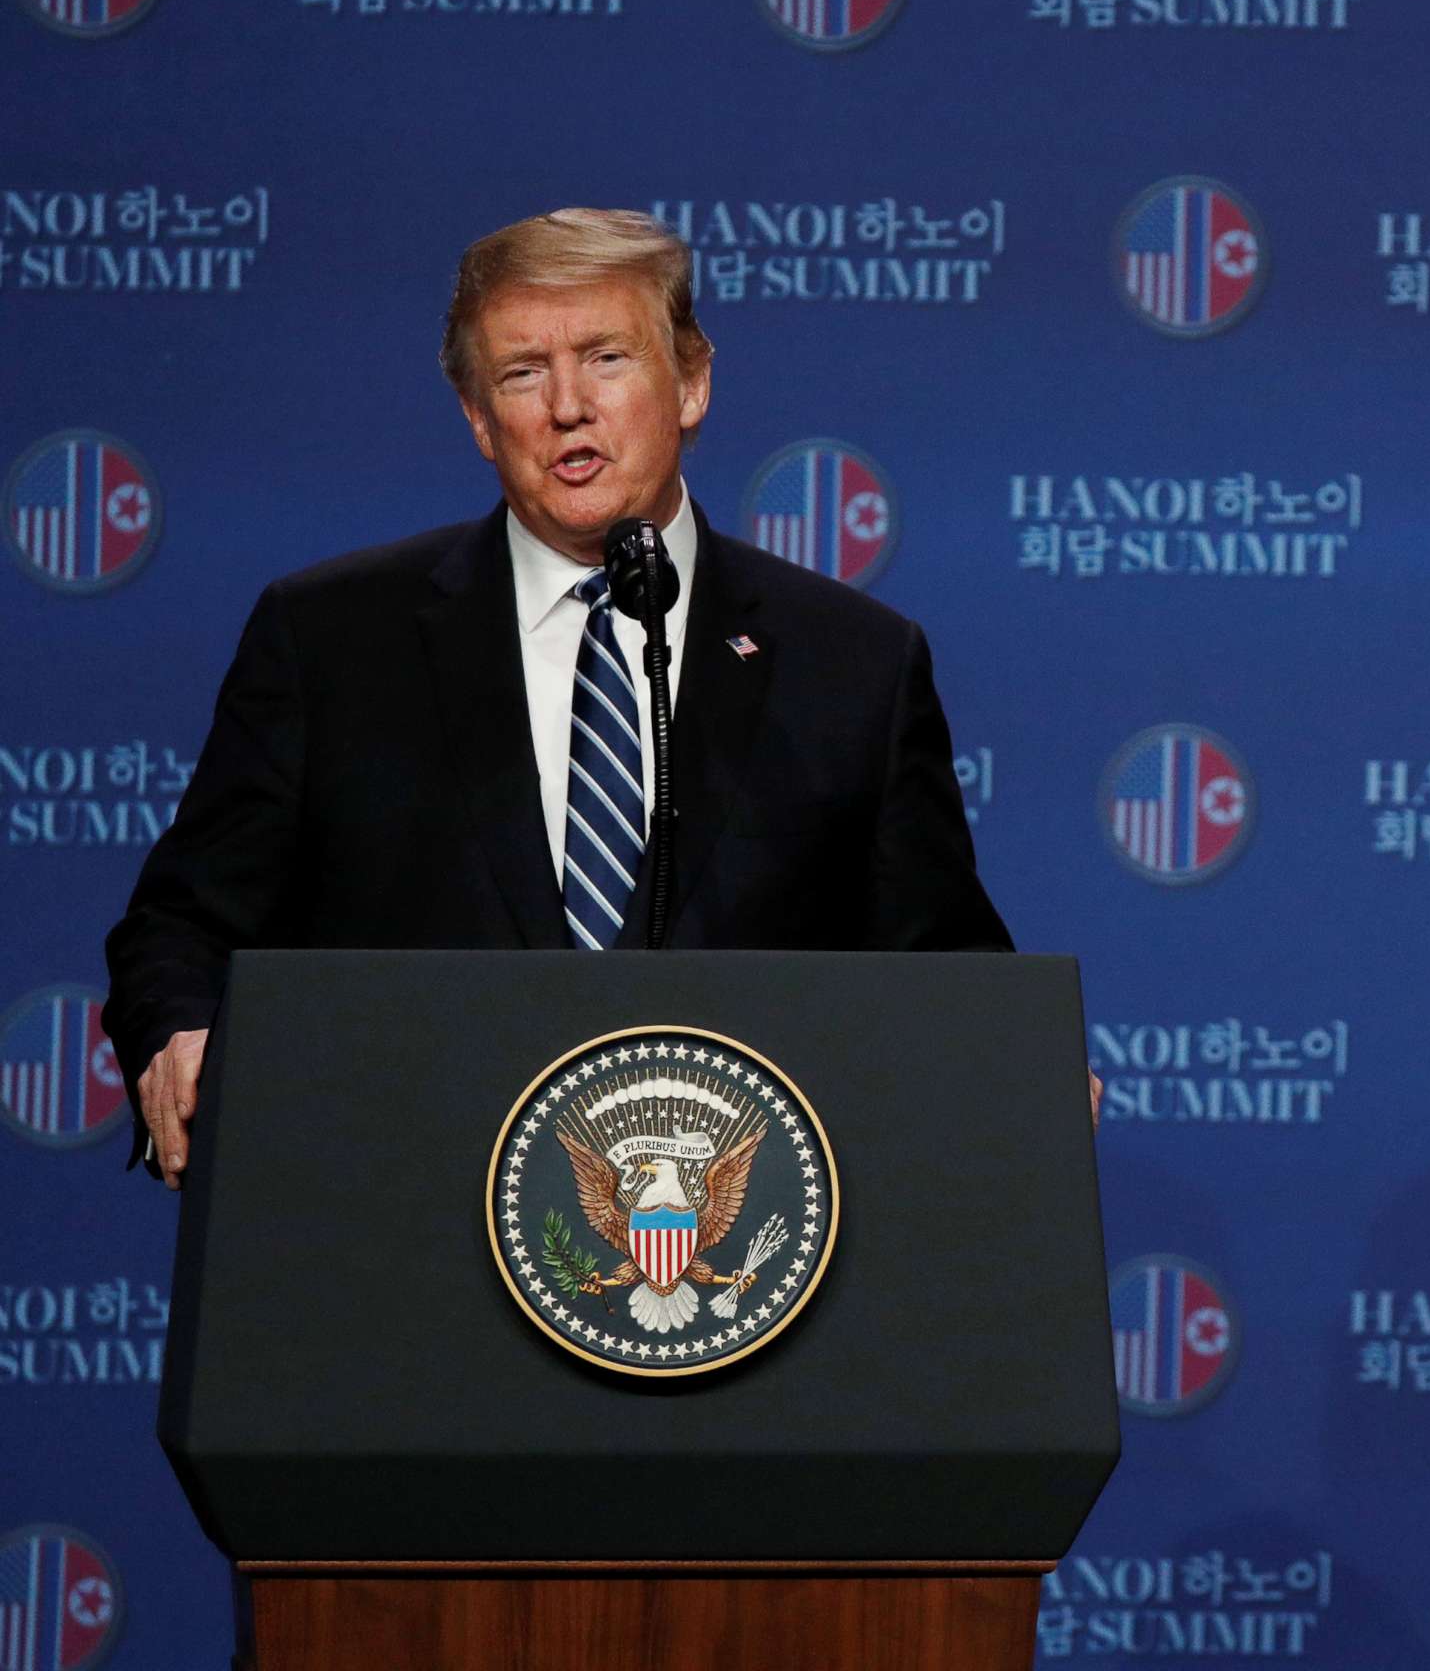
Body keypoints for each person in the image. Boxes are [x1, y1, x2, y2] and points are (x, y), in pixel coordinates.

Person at [105, 207, 1025, 1187]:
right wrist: (182, 1032)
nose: (567, 405)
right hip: (404, 1224)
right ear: (477, 418)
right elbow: (182, 928)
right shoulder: (330, 641)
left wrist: (1015, 1071)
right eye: (521, 373)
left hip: (739, 1262)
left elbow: (946, 978)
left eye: (607, 358)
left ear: (693, 381)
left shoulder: (852, 665)